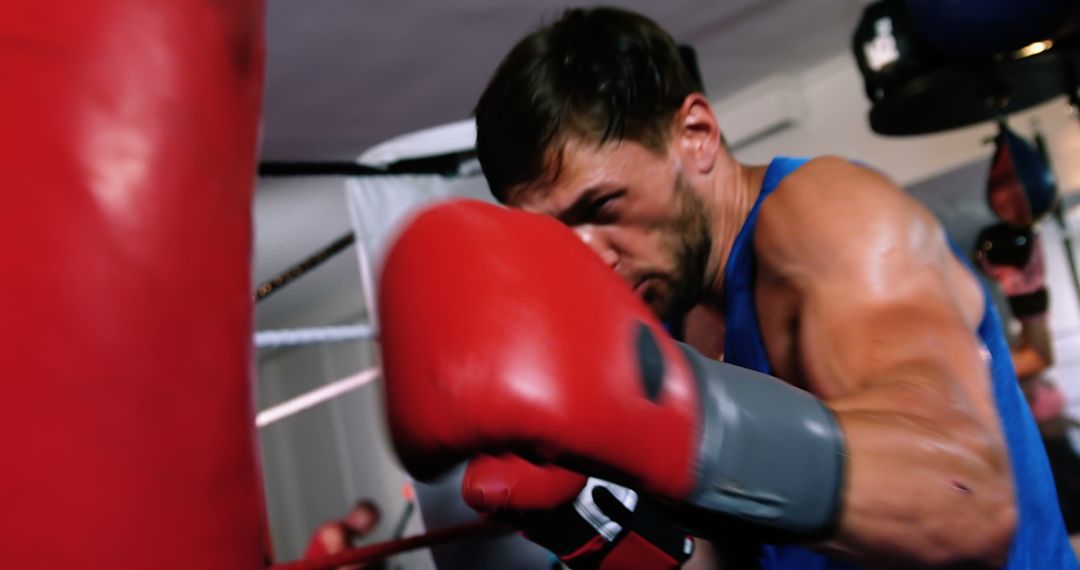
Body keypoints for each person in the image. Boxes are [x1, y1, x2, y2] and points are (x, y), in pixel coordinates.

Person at [377, 6, 1077, 569]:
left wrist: (677, 422)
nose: (587, 262)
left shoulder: (826, 220)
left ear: (696, 134)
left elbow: (966, 502)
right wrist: (602, 535)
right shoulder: (661, 315)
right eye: (556, 237)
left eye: (603, 208)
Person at [304, 499, 382, 568]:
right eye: (369, 525)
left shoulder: (348, 544)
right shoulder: (333, 531)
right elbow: (343, 567)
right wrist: (371, 556)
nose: (369, 531)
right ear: (354, 517)